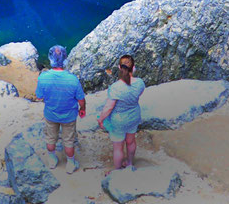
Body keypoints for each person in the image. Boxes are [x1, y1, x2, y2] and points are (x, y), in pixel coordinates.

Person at [34, 45, 86, 174]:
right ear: (65, 59)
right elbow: (81, 99)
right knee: (68, 140)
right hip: (69, 116)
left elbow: (39, 97)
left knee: (50, 138)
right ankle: (70, 163)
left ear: (51, 58)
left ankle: (52, 160)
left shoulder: (43, 77)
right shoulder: (73, 79)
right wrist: (82, 109)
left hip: (51, 114)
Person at [98, 54, 146, 172]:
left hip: (119, 120)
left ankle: (118, 170)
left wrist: (101, 119)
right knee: (131, 141)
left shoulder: (115, 87)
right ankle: (129, 163)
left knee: (118, 148)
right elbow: (137, 95)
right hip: (134, 115)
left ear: (120, 68)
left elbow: (109, 107)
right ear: (133, 68)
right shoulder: (140, 83)